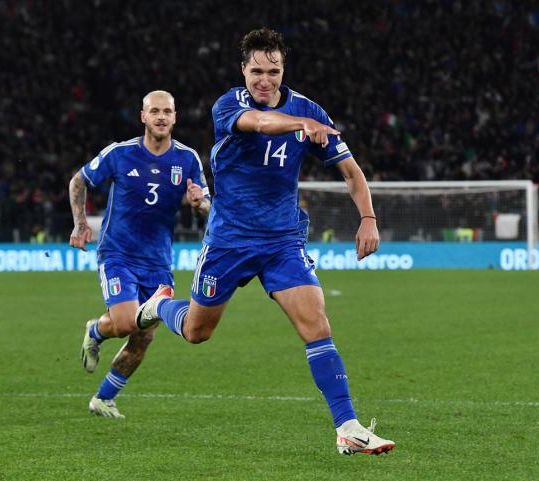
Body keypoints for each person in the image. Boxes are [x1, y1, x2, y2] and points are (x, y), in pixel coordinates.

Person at [136, 28, 394, 455]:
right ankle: (158, 305)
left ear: (282, 70)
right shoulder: (229, 105)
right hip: (229, 241)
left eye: (272, 72)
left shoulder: (308, 109)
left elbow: (351, 171)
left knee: (316, 324)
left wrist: (368, 218)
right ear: (244, 70)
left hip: (282, 241)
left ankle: (347, 428)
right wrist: (302, 125)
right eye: (256, 71)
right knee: (198, 332)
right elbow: (259, 123)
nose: (264, 80)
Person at [69, 90, 210, 419]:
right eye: (155, 111)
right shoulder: (120, 154)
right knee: (123, 322)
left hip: (158, 262)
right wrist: (79, 224)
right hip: (118, 254)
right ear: (143, 116)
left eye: (168, 111)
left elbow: (207, 207)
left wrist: (198, 203)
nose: (161, 117)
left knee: (143, 336)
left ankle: (104, 398)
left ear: (175, 117)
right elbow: (79, 182)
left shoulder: (187, 159)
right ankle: (95, 331)